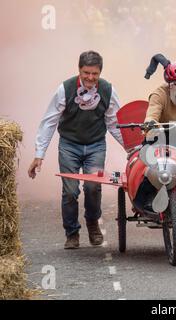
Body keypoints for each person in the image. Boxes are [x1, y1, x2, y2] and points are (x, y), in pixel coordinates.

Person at [28, 51, 124, 249]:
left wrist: (132, 148)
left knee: (92, 187)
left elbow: (115, 122)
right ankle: (72, 233)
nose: (90, 77)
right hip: (69, 145)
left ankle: (92, 224)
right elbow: (50, 121)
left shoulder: (108, 90)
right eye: (86, 72)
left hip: (96, 144)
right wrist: (39, 154)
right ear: (79, 70)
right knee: (70, 191)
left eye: (94, 74)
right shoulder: (65, 89)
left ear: (100, 73)